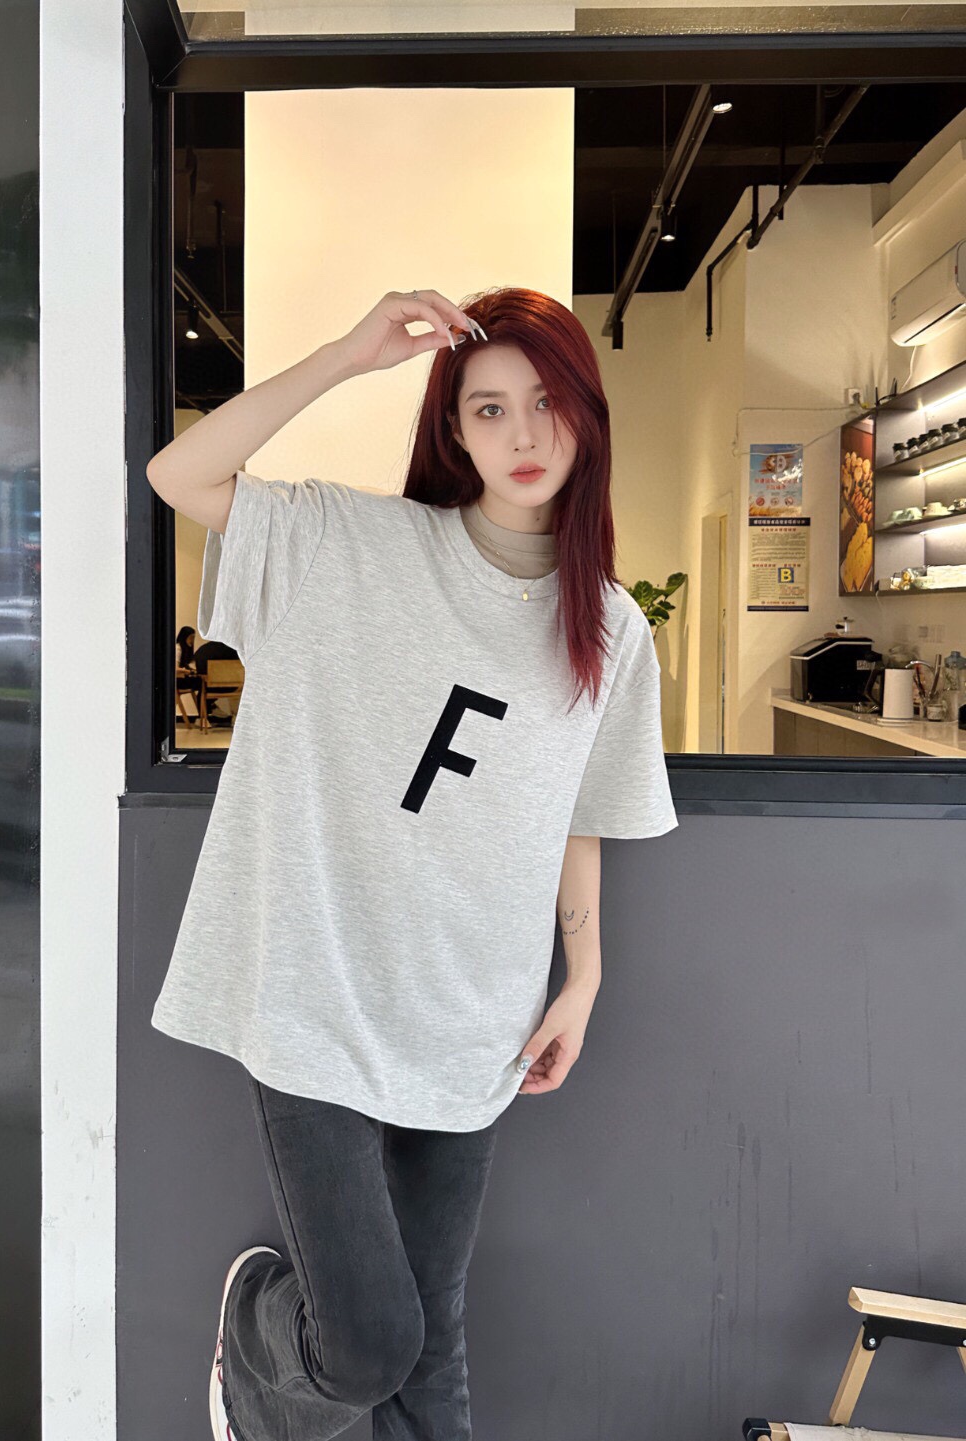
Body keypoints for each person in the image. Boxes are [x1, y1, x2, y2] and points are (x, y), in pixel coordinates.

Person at [146, 287, 679, 1441]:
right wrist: (348, 354)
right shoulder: (353, 545)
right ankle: (253, 1325)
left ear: (586, 414)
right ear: (454, 430)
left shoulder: (612, 629)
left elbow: (579, 810)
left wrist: (583, 978)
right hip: (317, 994)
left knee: (431, 1343)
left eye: (545, 402)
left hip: (473, 1018)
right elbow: (181, 474)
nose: (522, 434)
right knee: (370, 1342)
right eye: (489, 409)